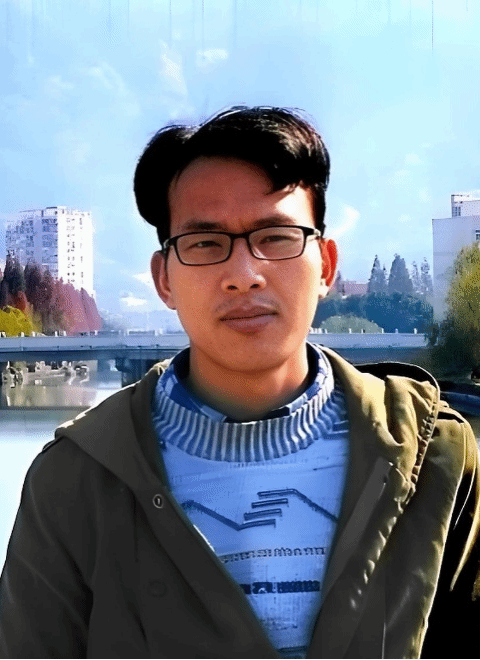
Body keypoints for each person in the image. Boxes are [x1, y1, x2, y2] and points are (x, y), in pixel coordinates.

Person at [1, 106, 479, 659]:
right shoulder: (75, 480)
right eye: (206, 244)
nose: (244, 274)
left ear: (326, 266)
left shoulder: (434, 456)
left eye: (275, 237)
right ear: (164, 279)